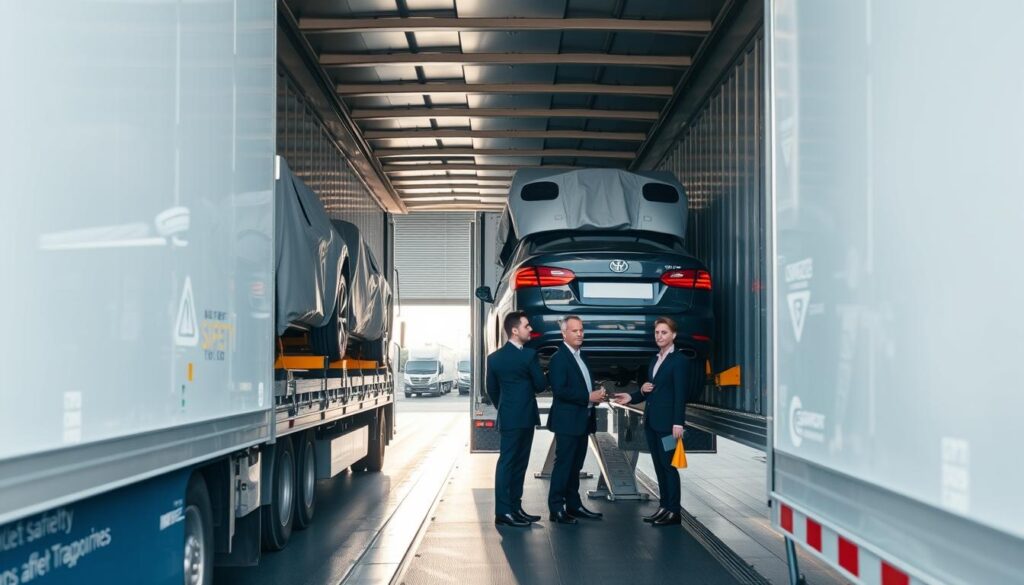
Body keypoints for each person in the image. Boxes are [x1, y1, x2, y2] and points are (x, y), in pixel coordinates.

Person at [613, 317, 691, 526]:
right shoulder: (655, 360)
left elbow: (679, 394)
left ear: (673, 335)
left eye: (664, 332)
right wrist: (633, 396)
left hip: (669, 425)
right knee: (659, 466)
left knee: (669, 467)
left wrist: (678, 423)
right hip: (652, 422)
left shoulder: (679, 361)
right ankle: (664, 507)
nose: (659, 336)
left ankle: (674, 511)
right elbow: (652, 391)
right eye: (657, 333)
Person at [486, 311, 548, 528]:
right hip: (526, 416)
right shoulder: (529, 356)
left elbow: (491, 390)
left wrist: (505, 408)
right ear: (514, 330)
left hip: (508, 416)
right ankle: (508, 510)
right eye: (526, 326)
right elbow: (540, 385)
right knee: (518, 464)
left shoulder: (494, 359)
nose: (530, 329)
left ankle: (511, 509)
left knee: (507, 462)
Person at [546, 315, 607, 524]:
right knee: (563, 466)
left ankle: (573, 505)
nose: (580, 334)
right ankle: (556, 509)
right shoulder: (558, 359)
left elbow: (581, 386)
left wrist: (597, 394)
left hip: (582, 420)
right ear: (564, 333)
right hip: (567, 422)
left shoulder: (581, 357)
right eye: (575, 331)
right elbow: (560, 391)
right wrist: (588, 397)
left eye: (581, 330)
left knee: (575, 466)